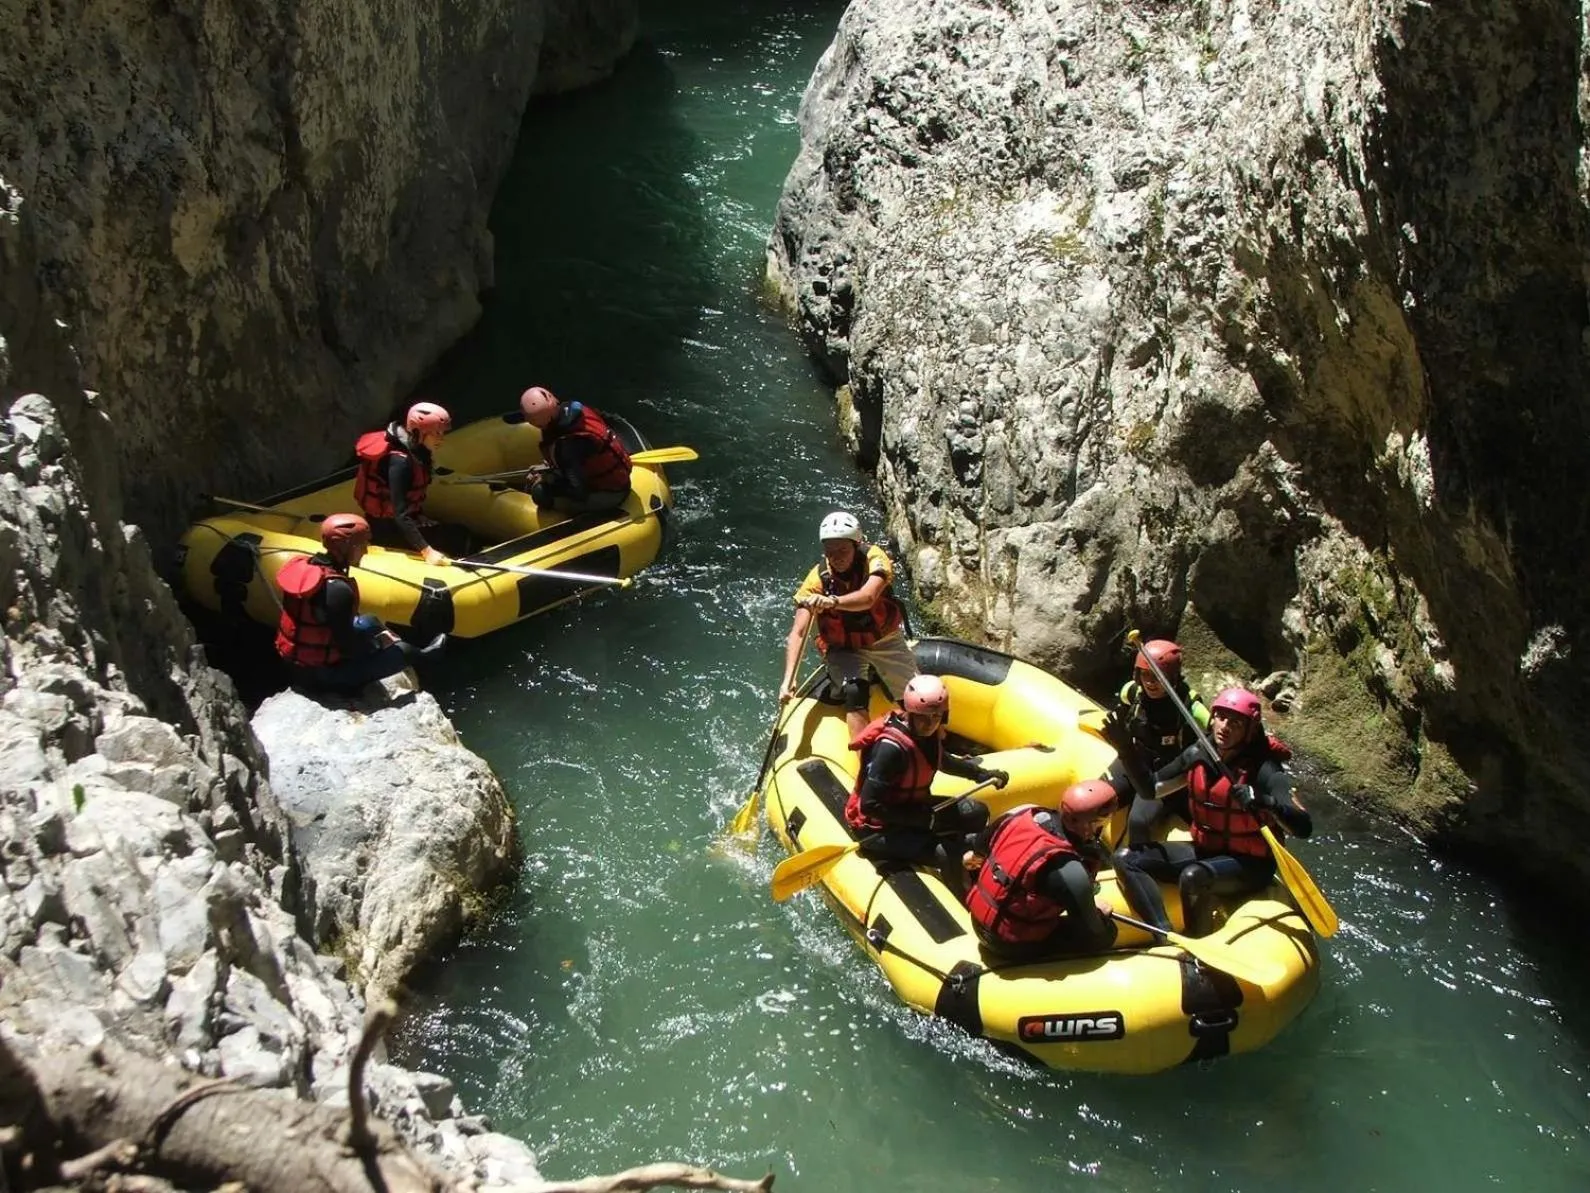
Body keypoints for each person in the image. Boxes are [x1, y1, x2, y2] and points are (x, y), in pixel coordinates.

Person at [1112, 687, 1312, 937]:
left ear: (1249, 730)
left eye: (1236, 723)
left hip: (1250, 865)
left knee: (1193, 876)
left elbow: (1304, 827)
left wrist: (1266, 801)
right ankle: (1163, 934)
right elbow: (1151, 789)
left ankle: (1198, 940)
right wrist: (1125, 750)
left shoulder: (1265, 769)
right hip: (1206, 849)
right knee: (1125, 858)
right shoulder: (1199, 753)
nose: (1225, 726)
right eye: (1221, 717)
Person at [844, 675, 1003, 873]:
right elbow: (870, 805)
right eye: (923, 717)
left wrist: (981, 774)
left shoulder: (927, 736)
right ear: (910, 713)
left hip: (914, 809)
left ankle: (959, 848)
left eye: (935, 717)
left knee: (977, 812)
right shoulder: (890, 750)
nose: (929, 724)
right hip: (879, 828)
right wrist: (919, 819)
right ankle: (956, 874)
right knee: (946, 855)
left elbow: (942, 760)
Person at [781, 511, 919, 737]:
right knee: (855, 691)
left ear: (857, 545)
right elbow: (798, 632)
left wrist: (832, 602)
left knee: (919, 697)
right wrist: (788, 679)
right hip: (844, 649)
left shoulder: (874, 558)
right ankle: (865, 762)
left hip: (884, 640)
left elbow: (868, 598)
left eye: (843, 550)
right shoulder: (816, 580)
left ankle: (936, 748)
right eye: (830, 552)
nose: (837, 557)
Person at [274, 514, 446, 695]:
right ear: (346, 547)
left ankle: (395, 645)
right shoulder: (338, 591)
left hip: (298, 665)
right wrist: (377, 644)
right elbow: (349, 648)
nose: (365, 550)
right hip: (323, 676)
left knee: (369, 620)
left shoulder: (310, 567)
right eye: (362, 545)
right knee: (404, 651)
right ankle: (426, 656)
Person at [963, 780, 1120, 962]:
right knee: (1106, 935)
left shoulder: (1022, 812)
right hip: (1008, 942)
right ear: (1091, 824)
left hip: (978, 920)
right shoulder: (1070, 871)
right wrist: (1096, 912)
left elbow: (979, 848)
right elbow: (1093, 932)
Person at [1108, 638, 1211, 846]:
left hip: (1165, 775)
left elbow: (1216, 733)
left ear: (1172, 675)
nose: (1150, 682)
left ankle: (1136, 865)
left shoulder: (1190, 707)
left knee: (1138, 823)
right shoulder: (1133, 692)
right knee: (1094, 799)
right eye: (1145, 675)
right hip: (1134, 762)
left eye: (1157, 676)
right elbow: (1119, 711)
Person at [353, 401, 455, 566]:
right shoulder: (400, 463)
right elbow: (400, 514)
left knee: (454, 532)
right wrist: (426, 550)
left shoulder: (418, 452)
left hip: (401, 522)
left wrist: (419, 515)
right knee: (455, 537)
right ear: (418, 432)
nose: (441, 439)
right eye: (436, 433)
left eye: (442, 433)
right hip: (386, 529)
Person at [518, 386, 633, 514]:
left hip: (609, 494)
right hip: (617, 480)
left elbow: (578, 491)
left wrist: (545, 481)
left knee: (539, 493)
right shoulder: (579, 411)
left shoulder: (567, 447)